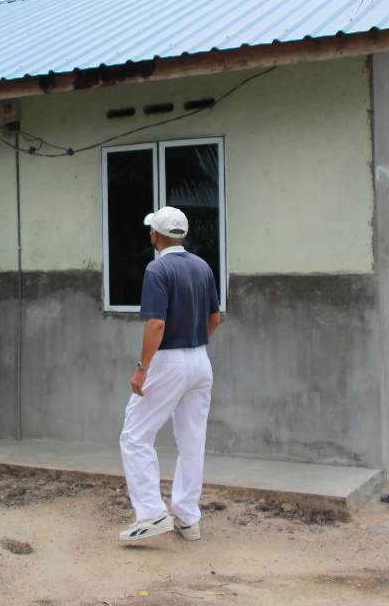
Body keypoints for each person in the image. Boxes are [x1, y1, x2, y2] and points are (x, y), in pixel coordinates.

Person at [118, 206, 222, 542]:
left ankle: (150, 514)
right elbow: (215, 319)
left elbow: (157, 323)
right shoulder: (202, 266)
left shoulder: (157, 269)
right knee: (192, 440)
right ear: (182, 234)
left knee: (135, 436)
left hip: (168, 361)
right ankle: (188, 518)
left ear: (155, 235)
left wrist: (142, 368)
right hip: (200, 359)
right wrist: (195, 344)